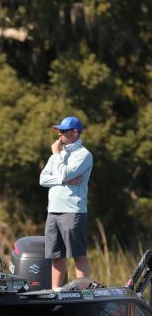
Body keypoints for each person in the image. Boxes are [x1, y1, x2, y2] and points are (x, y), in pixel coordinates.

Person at [39, 116, 93, 289]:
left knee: (78, 255)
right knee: (57, 255)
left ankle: (84, 293)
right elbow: (43, 179)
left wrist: (57, 156)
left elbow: (65, 173)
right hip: (53, 211)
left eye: (63, 131)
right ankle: (56, 291)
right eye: (59, 131)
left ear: (75, 132)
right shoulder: (58, 155)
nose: (60, 134)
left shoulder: (84, 155)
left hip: (73, 211)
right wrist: (63, 181)